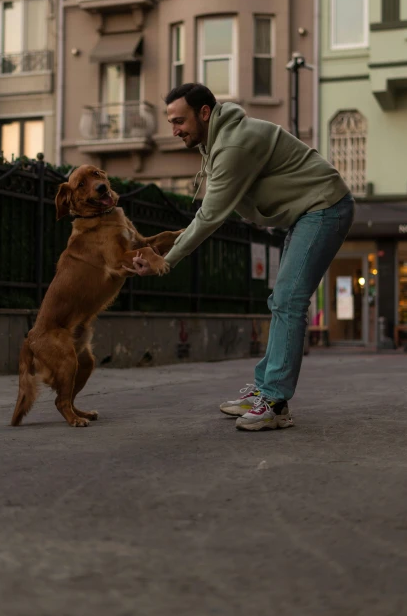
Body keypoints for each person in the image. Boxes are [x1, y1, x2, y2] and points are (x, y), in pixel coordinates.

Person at [129, 83, 354, 432]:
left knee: (289, 300)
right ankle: (266, 389)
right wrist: (164, 247)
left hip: (324, 207)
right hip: (308, 211)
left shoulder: (232, 144)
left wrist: (167, 261)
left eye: (179, 121)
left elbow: (210, 216)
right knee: (282, 300)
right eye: (171, 122)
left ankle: (276, 402)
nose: (174, 130)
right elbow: (216, 210)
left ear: (204, 113)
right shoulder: (218, 139)